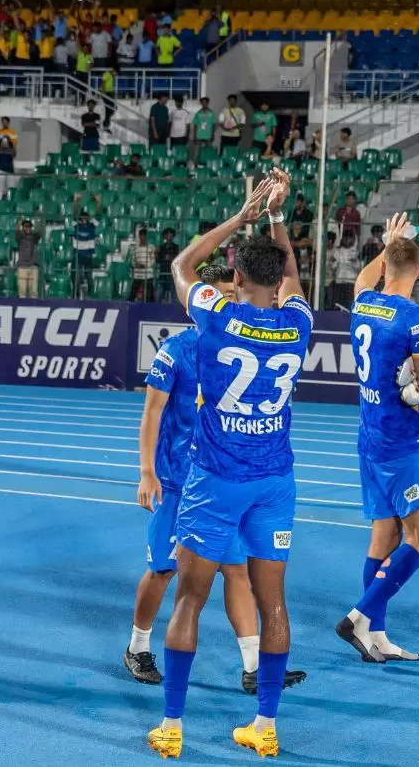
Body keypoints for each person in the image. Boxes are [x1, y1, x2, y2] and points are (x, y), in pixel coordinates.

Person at [145, 170, 310, 760]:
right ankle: (265, 725)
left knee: (190, 599)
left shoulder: (213, 315)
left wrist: (242, 217)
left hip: (215, 480)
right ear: (279, 283)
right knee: (275, 605)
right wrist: (276, 218)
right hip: (274, 482)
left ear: (236, 276)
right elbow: (293, 278)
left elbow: (182, 264)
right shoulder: (299, 324)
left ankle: (172, 726)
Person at [127, 261, 308, 695]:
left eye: (232, 294)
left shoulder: (239, 339)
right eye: (222, 296)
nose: (230, 303)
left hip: (217, 482)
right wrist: (147, 472)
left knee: (237, 571)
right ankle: (137, 646)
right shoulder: (177, 351)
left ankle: (253, 664)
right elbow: (152, 413)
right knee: (163, 570)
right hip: (179, 483)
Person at [336, 212, 419, 664]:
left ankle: (376, 637)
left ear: (385, 264)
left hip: (370, 438)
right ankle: (358, 617)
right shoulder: (415, 319)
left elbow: (362, 281)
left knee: (383, 539)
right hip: (403, 444)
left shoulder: (363, 303)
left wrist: (387, 244)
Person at [15, 217, 41, 298]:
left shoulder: (34, 237)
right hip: (22, 266)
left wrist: (38, 221)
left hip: (33, 266)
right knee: (22, 292)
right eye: (26, 226)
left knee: (34, 291)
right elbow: (17, 232)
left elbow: (40, 232)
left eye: (29, 226)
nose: (28, 228)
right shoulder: (20, 238)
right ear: (23, 227)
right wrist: (19, 222)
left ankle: (34, 305)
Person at [130, 227, 156, 302]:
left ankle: (150, 308)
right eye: (141, 235)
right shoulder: (135, 248)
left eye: (144, 235)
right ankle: (129, 306)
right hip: (137, 274)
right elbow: (133, 260)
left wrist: (145, 266)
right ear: (139, 236)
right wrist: (136, 265)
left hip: (148, 275)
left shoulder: (151, 247)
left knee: (149, 296)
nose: (142, 237)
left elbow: (153, 260)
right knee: (132, 295)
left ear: (146, 236)